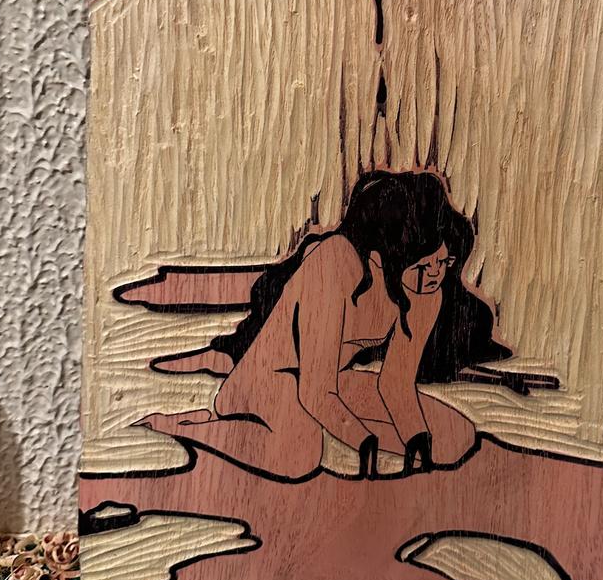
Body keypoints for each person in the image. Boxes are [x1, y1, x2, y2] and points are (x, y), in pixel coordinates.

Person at [139, 170, 512, 481]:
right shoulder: (334, 264)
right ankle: (192, 429)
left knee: (454, 437)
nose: (435, 275)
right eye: (422, 265)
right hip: (267, 380)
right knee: (298, 455)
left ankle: (326, 434)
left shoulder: (427, 292)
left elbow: (396, 384)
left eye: (443, 263)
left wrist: (415, 438)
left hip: (335, 383)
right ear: (381, 258)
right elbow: (315, 390)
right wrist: (362, 440)